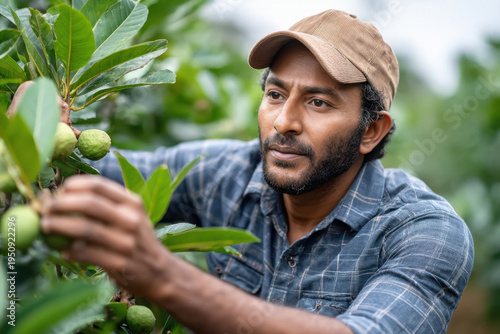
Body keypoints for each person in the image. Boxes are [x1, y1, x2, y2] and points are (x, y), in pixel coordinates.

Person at [39, 9, 474, 334]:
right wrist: (39, 125)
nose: (284, 121)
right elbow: (93, 173)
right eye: (275, 93)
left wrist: (162, 275)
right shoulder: (226, 172)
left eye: (318, 102)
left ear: (371, 132)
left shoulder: (425, 232)